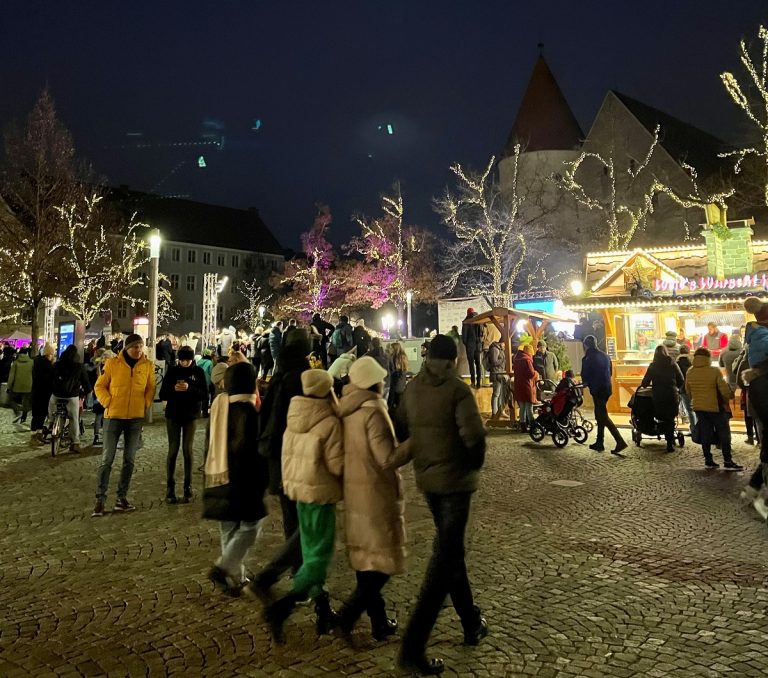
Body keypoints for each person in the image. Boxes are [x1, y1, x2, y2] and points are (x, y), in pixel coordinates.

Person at [391, 334, 487, 675]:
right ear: (452, 360)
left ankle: (471, 620)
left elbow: (402, 426)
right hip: (455, 485)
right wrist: (471, 464)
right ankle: (413, 647)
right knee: (443, 564)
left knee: (451, 554)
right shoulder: (458, 391)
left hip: (428, 483)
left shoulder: (413, 389)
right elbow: (474, 439)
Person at [264, 369, 344, 643]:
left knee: (310, 553)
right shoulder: (329, 422)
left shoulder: (294, 417)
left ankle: (323, 613)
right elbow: (337, 464)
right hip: (321, 496)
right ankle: (281, 609)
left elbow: (287, 458)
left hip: (299, 494)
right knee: (318, 560)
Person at [336, 356, 403, 641]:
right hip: (376, 492)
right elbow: (386, 457)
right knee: (385, 562)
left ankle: (378, 622)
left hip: (355, 490)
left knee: (366, 562)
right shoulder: (373, 411)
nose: (384, 383)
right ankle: (347, 616)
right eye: (380, 379)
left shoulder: (348, 409)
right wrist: (412, 446)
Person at [249, 332, 311, 598]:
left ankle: (299, 577)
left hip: (277, 458)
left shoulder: (278, 377)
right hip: (295, 457)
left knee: (292, 520)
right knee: (307, 523)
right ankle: (299, 579)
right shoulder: (300, 379)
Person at [203, 362, 269, 596]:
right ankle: (224, 567)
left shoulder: (219, 408)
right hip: (243, 481)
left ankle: (236, 578)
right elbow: (253, 453)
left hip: (217, 476)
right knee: (252, 526)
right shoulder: (249, 413)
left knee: (229, 527)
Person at [92, 334, 155, 517]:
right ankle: (100, 500)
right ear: (126, 348)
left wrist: (146, 403)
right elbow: (99, 386)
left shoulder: (147, 366)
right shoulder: (112, 364)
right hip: (114, 416)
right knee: (107, 459)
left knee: (129, 459)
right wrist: (108, 402)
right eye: (135, 347)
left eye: (140, 347)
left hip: (135, 417)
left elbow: (151, 387)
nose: (138, 350)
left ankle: (121, 498)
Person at [160, 346, 209, 504]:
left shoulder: (199, 372)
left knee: (188, 450)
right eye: (182, 360)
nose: (184, 362)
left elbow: (204, 394)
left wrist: (190, 388)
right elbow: (163, 393)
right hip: (173, 414)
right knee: (173, 450)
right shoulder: (173, 371)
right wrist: (173, 389)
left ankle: (188, 485)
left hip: (190, 415)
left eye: (187, 360)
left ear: (192, 359)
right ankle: (170, 487)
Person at [685, 346, 742, 470]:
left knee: (706, 433)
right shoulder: (714, 371)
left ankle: (708, 459)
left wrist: (696, 401)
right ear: (708, 358)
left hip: (699, 407)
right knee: (724, 433)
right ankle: (727, 460)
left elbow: (688, 391)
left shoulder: (690, 371)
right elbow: (724, 391)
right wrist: (727, 400)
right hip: (715, 408)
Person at [581, 335, 627, 455]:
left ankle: (620, 441)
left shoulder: (588, 358)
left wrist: (585, 383)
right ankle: (599, 442)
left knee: (603, 416)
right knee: (600, 414)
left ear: (585, 345)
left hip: (597, 389)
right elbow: (610, 372)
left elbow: (585, 375)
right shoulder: (605, 355)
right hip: (607, 388)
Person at [47, 345, 91, 452]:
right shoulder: (79, 367)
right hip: (72, 396)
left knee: (52, 408)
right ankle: (75, 443)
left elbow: (49, 378)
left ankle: (51, 423)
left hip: (57, 394)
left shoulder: (57, 365)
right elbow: (85, 382)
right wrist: (87, 392)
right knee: (74, 418)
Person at [640, 345, 684, 452]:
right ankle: (670, 442)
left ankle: (667, 439)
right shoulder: (673, 364)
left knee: (663, 417)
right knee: (670, 418)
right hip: (672, 395)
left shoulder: (653, 366)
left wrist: (647, 384)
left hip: (659, 396)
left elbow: (645, 383)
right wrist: (676, 388)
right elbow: (681, 379)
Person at [30, 343, 56, 434]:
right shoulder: (48, 365)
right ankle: (37, 434)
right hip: (44, 393)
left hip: (36, 391)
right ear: (50, 354)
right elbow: (50, 379)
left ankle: (34, 433)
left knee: (36, 414)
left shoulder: (37, 362)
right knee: (41, 414)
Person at [91, 349, 114, 446]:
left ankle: (96, 436)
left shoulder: (98, 366)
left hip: (97, 394)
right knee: (105, 417)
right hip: (106, 394)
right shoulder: (110, 367)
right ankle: (105, 436)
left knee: (98, 415)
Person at [512, 343, 537, 431]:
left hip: (518, 385)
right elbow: (531, 373)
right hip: (526, 386)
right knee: (529, 407)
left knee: (522, 407)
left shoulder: (516, 359)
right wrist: (536, 374)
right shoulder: (527, 360)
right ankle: (533, 426)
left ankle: (523, 426)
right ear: (529, 352)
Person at [8, 347, 33, 427]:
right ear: (27, 353)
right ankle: (23, 417)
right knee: (26, 402)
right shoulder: (32, 362)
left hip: (17, 386)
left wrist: (9, 386)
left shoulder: (15, 362)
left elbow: (11, 376)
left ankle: (17, 412)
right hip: (28, 386)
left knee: (11, 400)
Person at [461, 308, 482, 389]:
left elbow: (464, 337)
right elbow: (481, 333)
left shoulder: (466, 322)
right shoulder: (479, 320)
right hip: (478, 344)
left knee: (471, 364)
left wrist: (467, 344)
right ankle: (479, 383)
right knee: (478, 364)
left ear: (467, 313)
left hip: (470, 345)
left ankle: (473, 382)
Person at [487, 338, 506, 418]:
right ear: (501, 342)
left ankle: (500, 411)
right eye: (505, 343)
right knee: (496, 394)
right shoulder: (494, 349)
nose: (505, 345)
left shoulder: (499, 349)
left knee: (500, 394)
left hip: (500, 373)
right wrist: (502, 360)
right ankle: (494, 412)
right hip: (496, 374)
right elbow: (494, 362)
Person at [387, 342, 410, 411]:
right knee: (399, 404)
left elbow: (393, 371)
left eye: (391, 348)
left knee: (392, 405)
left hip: (395, 384)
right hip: (401, 385)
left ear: (395, 349)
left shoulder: (393, 358)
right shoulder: (403, 357)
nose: (390, 349)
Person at [677, 345, 696, 426]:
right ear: (689, 351)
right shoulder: (694, 361)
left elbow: (677, 377)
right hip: (695, 387)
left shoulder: (677, 363)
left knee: (689, 410)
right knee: (696, 410)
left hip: (684, 389)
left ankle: (693, 429)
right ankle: (696, 429)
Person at [197, 349, 214, 415]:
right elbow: (211, 372)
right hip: (207, 382)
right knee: (207, 396)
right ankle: (205, 412)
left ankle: (198, 411)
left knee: (199, 396)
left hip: (199, 381)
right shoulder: (210, 362)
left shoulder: (199, 361)